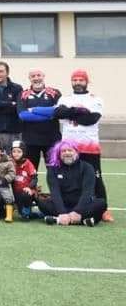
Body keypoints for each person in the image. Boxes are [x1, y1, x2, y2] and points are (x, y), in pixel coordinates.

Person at [52, 69, 109, 221]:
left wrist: (70, 113)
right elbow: (58, 114)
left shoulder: (95, 99)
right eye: (75, 80)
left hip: (90, 147)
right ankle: (69, 207)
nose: (77, 83)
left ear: (87, 81)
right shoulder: (65, 98)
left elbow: (91, 119)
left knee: (96, 178)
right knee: (69, 177)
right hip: (68, 148)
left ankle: (104, 210)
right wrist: (80, 111)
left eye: (81, 80)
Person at [37, 140, 107, 226]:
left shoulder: (87, 167)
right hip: (63, 205)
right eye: (63, 151)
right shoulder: (52, 169)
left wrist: (77, 211)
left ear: (76, 152)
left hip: (82, 206)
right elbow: (55, 192)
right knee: (41, 202)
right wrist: (62, 212)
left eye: (70, 150)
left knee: (101, 203)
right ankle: (82, 220)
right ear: (59, 154)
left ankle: (58, 220)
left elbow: (87, 192)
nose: (67, 153)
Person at [17, 69, 62, 169]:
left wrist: (34, 110)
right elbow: (23, 115)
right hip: (30, 141)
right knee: (30, 172)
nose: (36, 78)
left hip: (52, 140)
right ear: (29, 79)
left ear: (43, 76)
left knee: (54, 171)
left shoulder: (54, 93)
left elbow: (59, 111)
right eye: (33, 76)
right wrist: (49, 115)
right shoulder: (23, 94)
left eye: (38, 75)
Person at [10, 141, 39, 219]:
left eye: (19, 151)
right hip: (16, 192)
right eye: (14, 151)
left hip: (27, 191)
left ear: (24, 152)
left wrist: (29, 187)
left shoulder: (28, 163)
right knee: (21, 213)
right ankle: (24, 211)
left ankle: (29, 210)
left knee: (25, 196)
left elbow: (35, 179)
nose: (16, 154)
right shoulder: (10, 163)